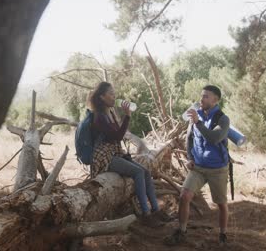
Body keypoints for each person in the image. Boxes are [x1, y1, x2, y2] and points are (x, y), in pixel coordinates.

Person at [89, 82, 169, 227]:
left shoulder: (109, 112)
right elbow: (117, 136)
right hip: (105, 157)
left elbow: (118, 135)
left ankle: (156, 210)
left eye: (114, 93)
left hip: (114, 153)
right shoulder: (99, 116)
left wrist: (125, 117)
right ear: (102, 97)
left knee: (145, 171)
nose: (114, 97)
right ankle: (146, 214)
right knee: (138, 172)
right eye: (111, 94)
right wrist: (127, 116)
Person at [165, 85, 230, 246]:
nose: (202, 99)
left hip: (218, 169)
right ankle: (181, 231)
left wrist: (198, 122)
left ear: (216, 100)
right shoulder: (196, 115)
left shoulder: (222, 119)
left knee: (221, 204)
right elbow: (189, 138)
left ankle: (223, 234)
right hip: (198, 168)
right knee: (184, 196)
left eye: (206, 96)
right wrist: (189, 157)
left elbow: (214, 138)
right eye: (201, 96)